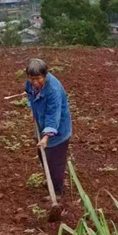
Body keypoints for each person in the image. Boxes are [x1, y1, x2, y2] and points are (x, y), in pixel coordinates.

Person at [24, 58, 72, 199]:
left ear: (45, 75)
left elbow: (53, 115)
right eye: (32, 78)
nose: (35, 82)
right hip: (41, 122)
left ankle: (57, 193)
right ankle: (50, 180)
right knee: (42, 154)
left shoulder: (53, 90)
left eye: (38, 79)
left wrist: (45, 137)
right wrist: (32, 108)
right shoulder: (31, 82)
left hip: (58, 129)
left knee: (55, 161)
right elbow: (28, 91)